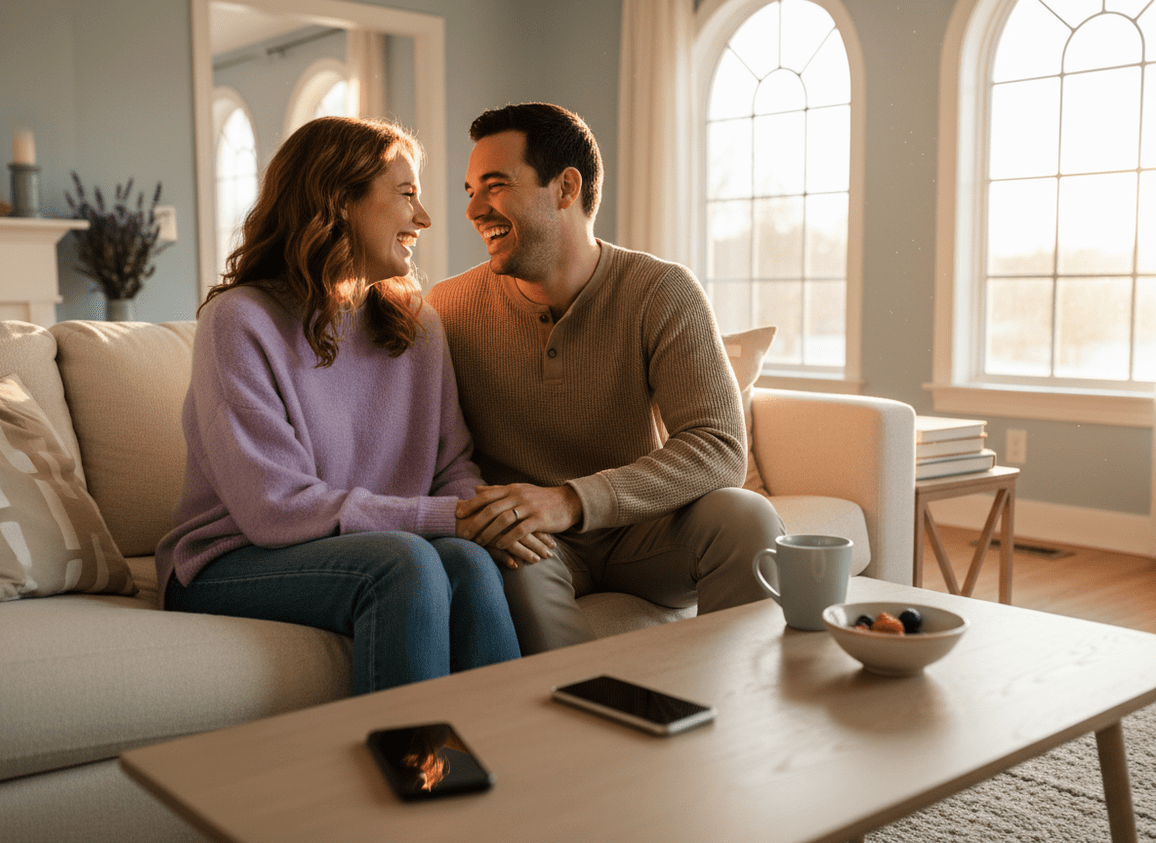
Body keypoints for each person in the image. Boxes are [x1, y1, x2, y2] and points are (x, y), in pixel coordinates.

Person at [155, 116, 526, 693]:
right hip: (230, 561)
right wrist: (445, 518)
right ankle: (414, 774)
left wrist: (482, 518)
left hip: (376, 547)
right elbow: (274, 508)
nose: (423, 219)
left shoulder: (417, 326)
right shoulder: (239, 322)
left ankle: (518, 770)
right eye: (406, 196)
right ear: (338, 202)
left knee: (472, 565)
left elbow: (451, 467)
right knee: (407, 565)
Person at [426, 102, 786, 654]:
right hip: (537, 540)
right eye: (470, 189)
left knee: (747, 517)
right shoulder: (448, 307)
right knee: (515, 560)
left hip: (643, 529)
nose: (474, 208)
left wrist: (572, 500)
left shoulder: (661, 291)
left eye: (494, 186)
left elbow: (718, 447)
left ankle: (742, 706)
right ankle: (578, 726)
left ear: (565, 188)